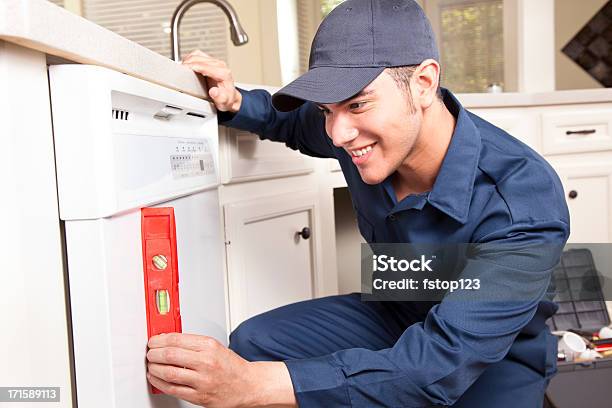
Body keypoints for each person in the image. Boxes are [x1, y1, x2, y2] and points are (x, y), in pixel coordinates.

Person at [145, 0, 570, 406]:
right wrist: (236, 101)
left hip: (485, 354)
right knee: (255, 345)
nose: (338, 133)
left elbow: (437, 365)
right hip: (396, 310)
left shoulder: (523, 198)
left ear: (423, 83)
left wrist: (251, 385)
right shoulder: (357, 133)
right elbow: (292, 121)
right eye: (328, 109)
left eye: (357, 104)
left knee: (261, 379)